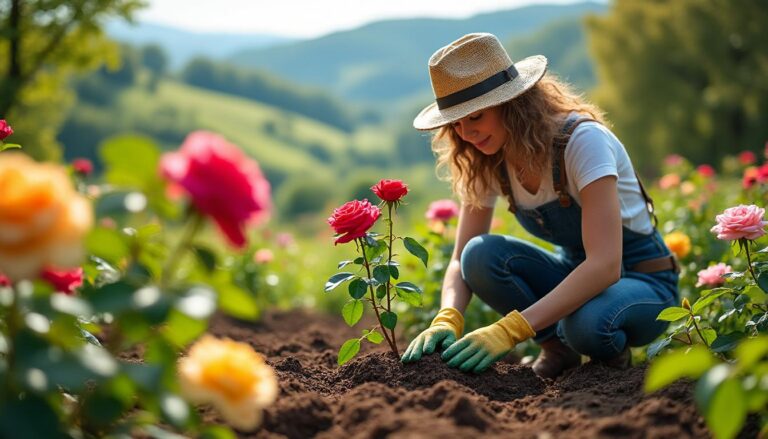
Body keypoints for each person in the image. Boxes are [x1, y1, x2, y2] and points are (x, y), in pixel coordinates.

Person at [400, 33, 679, 378]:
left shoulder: (581, 141)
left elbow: (606, 266)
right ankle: (558, 351)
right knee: (480, 254)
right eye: (456, 123)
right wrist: (447, 316)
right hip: (574, 274)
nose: (466, 133)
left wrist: (509, 330)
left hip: (641, 278)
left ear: (512, 103)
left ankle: (609, 367)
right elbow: (460, 259)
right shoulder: (487, 157)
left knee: (586, 326)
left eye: (475, 116)